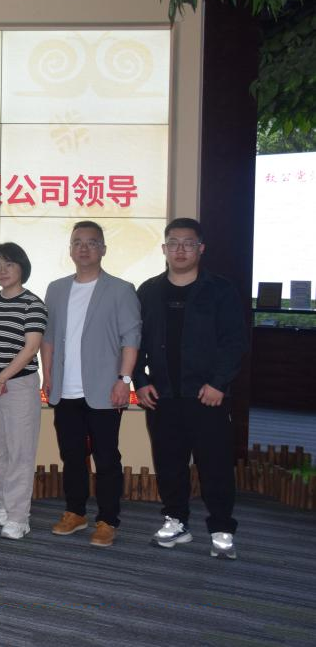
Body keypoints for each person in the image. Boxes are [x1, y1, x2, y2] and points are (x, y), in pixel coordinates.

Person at [135, 218, 246, 559]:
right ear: (164, 248)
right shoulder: (148, 291)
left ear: (201, 248)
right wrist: (140, 381)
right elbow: (134, 342)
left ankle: (222, 528)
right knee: (169, 462)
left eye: (188, 243)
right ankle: (176, 521)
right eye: (173, 243)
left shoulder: (220, 290)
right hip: (163, 395)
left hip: (207, 395)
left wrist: (219, 383)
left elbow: (234, 342)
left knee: (215, 465)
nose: (180, 250)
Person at [41, 221, 141, 548]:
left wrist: (124, 380)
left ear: (103, 249)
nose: (83, 248)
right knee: (72, 455)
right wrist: (49, 375)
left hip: (105, 388)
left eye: (91, 242)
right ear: (70, 249)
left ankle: (108, 520)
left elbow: (131, 338)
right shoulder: (56, 289)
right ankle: (75, 512)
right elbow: (48, 338)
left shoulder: (121, 289)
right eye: (77, 242)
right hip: (65, 389)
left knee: (106, 457)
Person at [0, 243, 48, 540]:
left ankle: (20, 517)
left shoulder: (33, 303)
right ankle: (6, 504)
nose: (2, 271)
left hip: (19, 385)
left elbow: (30, 348)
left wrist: (1, 378)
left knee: (20, 451)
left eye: (9, 264)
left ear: (22, 267)